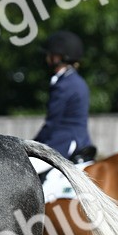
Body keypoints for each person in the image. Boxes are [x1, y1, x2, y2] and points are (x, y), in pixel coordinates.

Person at [33, 30, 93, 162]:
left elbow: (52, 123)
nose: (47, 58)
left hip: (64, 142)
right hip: (80, 139)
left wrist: (32, 144)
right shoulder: (75, 80)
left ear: (59, 57)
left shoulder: (65, 84)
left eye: (50, 54)